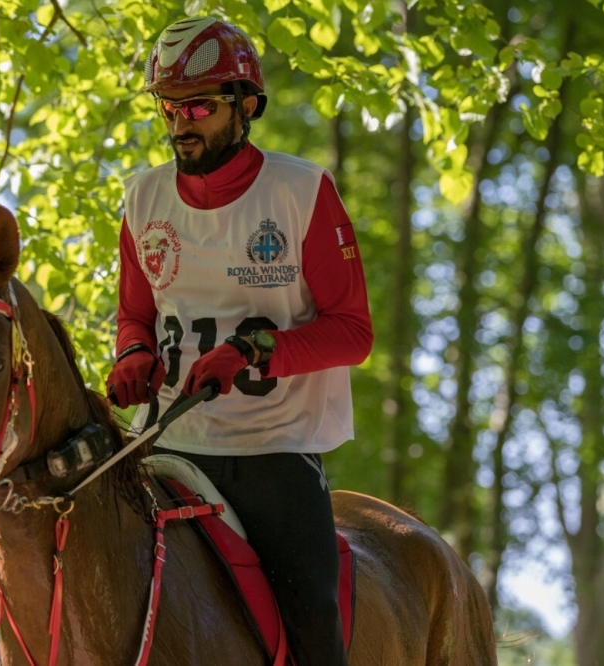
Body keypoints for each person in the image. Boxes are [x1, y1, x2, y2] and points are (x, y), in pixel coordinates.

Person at [104, 16, 373, 666]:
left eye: (197, 105)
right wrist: (132, 354)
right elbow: (134, 315)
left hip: (273, 448)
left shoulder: (301, 191)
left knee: (310, 611)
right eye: (168, 108)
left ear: (245, 105)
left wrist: (257, 352)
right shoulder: (143, 198)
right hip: (166, 443)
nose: (179, 123)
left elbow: (354, 333)